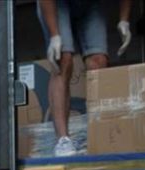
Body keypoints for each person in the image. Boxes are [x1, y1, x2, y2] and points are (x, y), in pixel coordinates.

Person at [38, 0, 133, 156]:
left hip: (92, 5)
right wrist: (54, 36)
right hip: (57, 4)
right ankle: (63, 140)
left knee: (98, 62)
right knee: (63, 59)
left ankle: (100, 135)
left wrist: (124, 20)